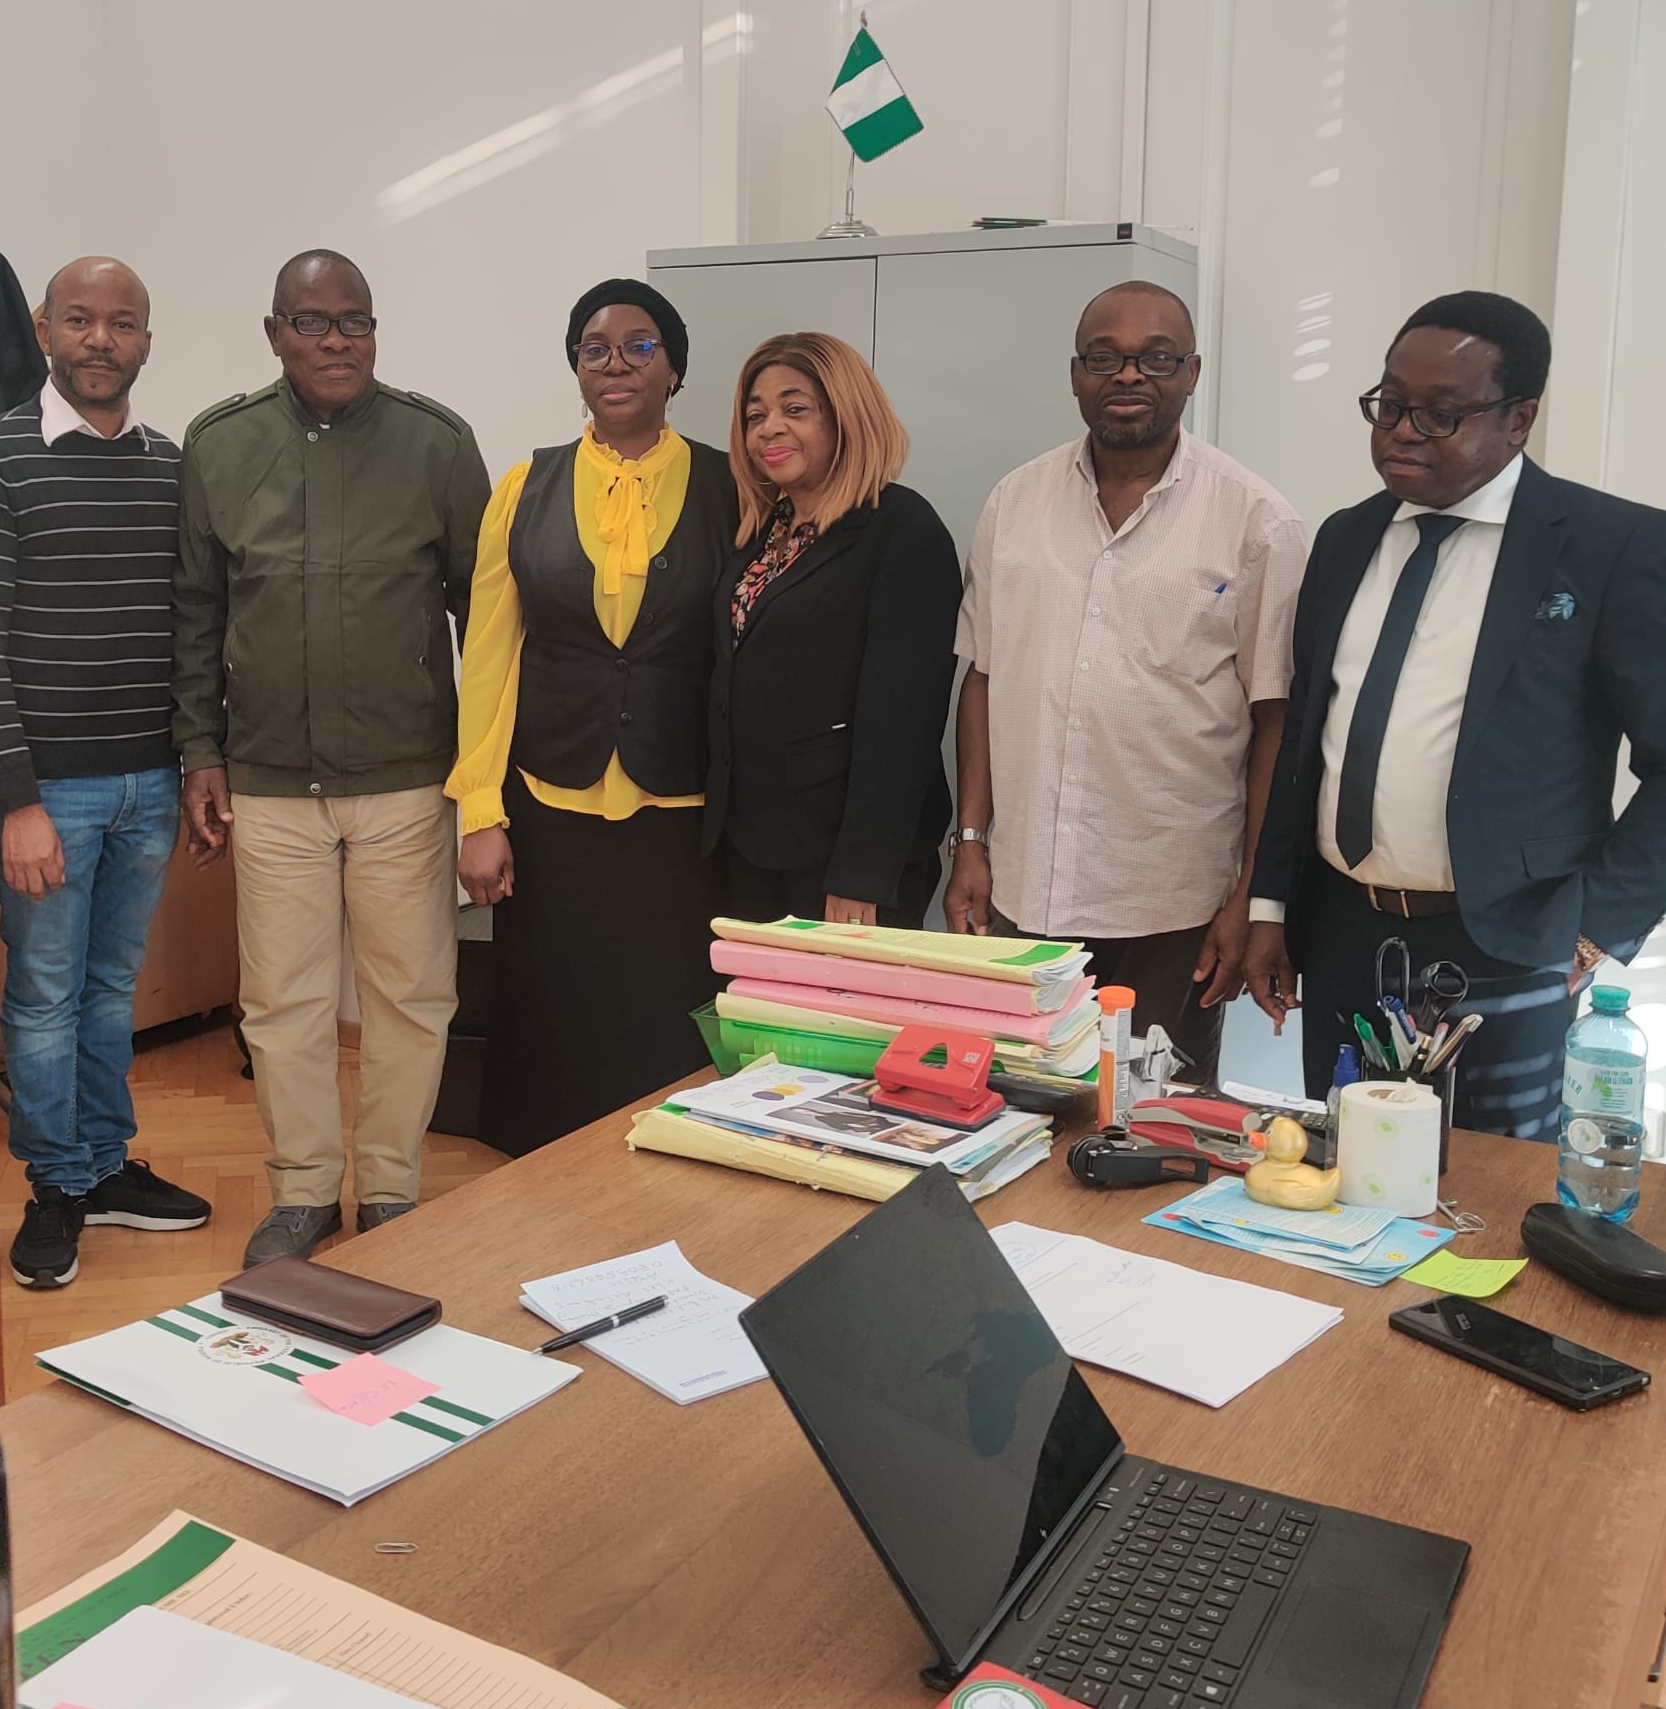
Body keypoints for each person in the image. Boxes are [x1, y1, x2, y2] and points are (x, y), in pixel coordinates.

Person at [1244, 291, 1666, 1137]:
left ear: (1518, 419)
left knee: (1488, 1190)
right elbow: (1306, 742)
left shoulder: (1611, 545)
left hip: (1510, 942)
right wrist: (1271, 910)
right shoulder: (1345, 538)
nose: (1401, 432)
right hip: (1343, 937)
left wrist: (1596, 930)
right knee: (1344, 1169)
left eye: (1440, 414)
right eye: (1389, 405)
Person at [174, 249, 490, 1265]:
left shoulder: (437, 444)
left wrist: (482, 783)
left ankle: (392, 1191)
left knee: (409, 998)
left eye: (355, 320)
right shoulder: (219, 446)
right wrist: (199, 749)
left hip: (406, 778)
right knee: (283, 1002)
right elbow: (196, 613)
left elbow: (484, 621)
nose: (336, 340)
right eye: (311, 322)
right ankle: (303, 1194)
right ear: (275, 333)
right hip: (269, 783)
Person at [944, 282, 1307, 1081]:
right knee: (1020, 1109)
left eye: (1157, 358)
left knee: (1154, 1125)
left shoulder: (1258, 522)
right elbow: (983, 677)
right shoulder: (1015, 502)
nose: (1130, 375)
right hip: (1024, 892)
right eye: (1105, 357)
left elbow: (1274, 722)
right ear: (1076, 374)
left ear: (1193, 373)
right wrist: (969, 842)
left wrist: (1251, 896)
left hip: (1173, 906)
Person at [0, 256, 210, 1289]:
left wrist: (192, 762)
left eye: (123, 322)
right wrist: (16, 802)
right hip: (45, 793)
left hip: (148, 784)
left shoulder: (171, 465)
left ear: (147, 342)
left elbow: (190, 628)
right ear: (45, 330)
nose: (101, 339)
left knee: (108, 992)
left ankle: (103, 1164)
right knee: (45, 997)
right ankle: (54, 1182)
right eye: (80, 319)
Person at [450, 278, 736, 1155]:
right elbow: (489, 657)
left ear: (674, 367)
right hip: (550, 802)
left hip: (681, 809)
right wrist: (479, 812)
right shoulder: (524, 487)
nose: (617, 363)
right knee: (557, 1005)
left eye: (640, 346)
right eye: (595, 348)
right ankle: (546, 1182)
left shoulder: (733, 486)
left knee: (664, 1011)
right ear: (576, 368)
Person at [705, 331, 960, 926]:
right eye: (755, 415)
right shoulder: (763, 530)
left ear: (847, 417)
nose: (769, 428)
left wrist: (861, 874)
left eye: (795, 409)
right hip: (751, 846)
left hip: (843, 865)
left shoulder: (903, 530)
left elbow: (903, 723)